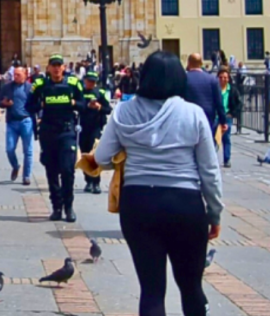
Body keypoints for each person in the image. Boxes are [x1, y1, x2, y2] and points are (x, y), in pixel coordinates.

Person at [93, 51, 223, 316]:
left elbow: (102, 158)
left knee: (151, 290)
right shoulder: (193, 113)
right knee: (191, 286)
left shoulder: (124, 111)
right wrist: (214, 213)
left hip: (139, 203)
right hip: (184, 203)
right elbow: (209, 170)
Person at [27, 54, 84, 222]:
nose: (57, 68)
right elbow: (29, 106)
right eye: (54, 65)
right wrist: (41, 105)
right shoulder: (40, 84)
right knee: (51, 171)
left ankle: (69, 207)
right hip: (48, 131)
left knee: (67, 170)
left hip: (66, 131)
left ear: (64, 67)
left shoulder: (73, 83)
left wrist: (74, 104)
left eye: (59, 65)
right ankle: (56, 207)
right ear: (49, 68)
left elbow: (83, 105)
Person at [0, 65, 34, 185]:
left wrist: (39, 117)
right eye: (14, 74)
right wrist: (3, 103)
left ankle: (26, 176)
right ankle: (15, 165)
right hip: (12, 122)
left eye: (18, 74)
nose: (15, 76)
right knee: (9, 149)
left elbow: (37, 103)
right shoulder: (7, 87)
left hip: (26, 121)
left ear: (25, 75)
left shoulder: (30, 88)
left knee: (28, 151)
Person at [78, 69, 111, 194]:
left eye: (93, 82)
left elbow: (108, 109)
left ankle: (96, 182)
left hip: (96, 127)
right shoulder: (80, 92)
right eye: (89, 81)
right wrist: (86, 106)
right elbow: (76, 106)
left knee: (94, 155)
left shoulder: (100, 92)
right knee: (85, 155)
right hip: (82, 127)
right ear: (85, 80)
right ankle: (88, 181)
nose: (91, 83)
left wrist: (99, 107)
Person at [185, 54, 227, 139]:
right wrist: (223, 121)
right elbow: (219, 102)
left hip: (188, 117)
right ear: (201, 63)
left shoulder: (183, 78)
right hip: (207, 116)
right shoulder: (212, 79)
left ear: (188, 63)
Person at [217, 68, 241, 168]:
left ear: (229, 78)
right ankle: (212, 159)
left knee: (226, 138)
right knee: (214, 138)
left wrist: (232, 113)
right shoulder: (215, 88)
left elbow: (239, 104)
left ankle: (227, 160)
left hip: (227, 116)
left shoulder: (232, 90)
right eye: (221, 77)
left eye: (225, 77)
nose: (223, 79)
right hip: (216, 116)